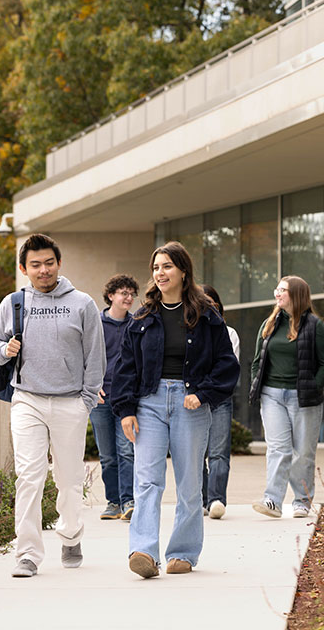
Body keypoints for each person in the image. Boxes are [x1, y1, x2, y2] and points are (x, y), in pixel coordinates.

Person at [111, 242, 239, 578]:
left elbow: (227, 364)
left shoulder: (207, 315)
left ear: (183, 270)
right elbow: (125, 367)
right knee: (147, 481)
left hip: (190, 404)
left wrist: (203, 392)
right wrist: (126, 410)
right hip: (149, 403)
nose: (160, 273)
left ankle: (182, 553)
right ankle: (143, 552)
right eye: (156, 267)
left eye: (167, 266)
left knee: (188, 483)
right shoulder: (141, 317)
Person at [0, 234, 106, 578]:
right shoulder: (14, 303)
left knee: (67, 479)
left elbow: (96, 358)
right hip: (27, 400)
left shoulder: (82, 304)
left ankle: (70, 535)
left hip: (70, 403)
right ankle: (28, 554)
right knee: (29, 477)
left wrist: (85, 403)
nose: (43, 270)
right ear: (24, 269)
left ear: (59, 264)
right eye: (35, 264)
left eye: (49, 262)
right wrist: (2, 350)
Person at [248, 275, 324, 519]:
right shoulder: (270, 323)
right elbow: (257, 361)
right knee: (278, 449)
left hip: (303, 397)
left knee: (303, 452)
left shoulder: (315, 326)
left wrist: (312, 387)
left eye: (283, 290)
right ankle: (273, 500)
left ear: (296, 295)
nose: (277, 293)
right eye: (277, 289)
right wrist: (259, 385)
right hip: (272, 395)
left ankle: (302, 500)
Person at [90, 274, 139, 521]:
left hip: (125, 399)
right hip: (99, 399)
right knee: (108, 455)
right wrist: (91, 385)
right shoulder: (95, 324)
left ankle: (128, 500)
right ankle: (113, 502)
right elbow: (84, 357)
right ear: (111, 296)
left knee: (126, 450)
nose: (129, 298)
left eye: (132, 294)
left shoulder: (136, 325)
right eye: (124, 293)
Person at [200, 284, 240, 520]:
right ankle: (203, 500)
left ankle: (216, 500)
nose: (208, 306)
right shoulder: (190, 332)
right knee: (195, 455)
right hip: (194, 401)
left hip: (220, 400)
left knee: (218, 453)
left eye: (212, 302)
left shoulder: (229, 332)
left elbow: (228, 369)